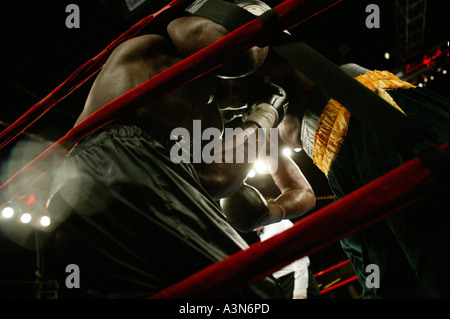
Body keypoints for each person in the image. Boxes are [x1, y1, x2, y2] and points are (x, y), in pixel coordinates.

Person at [45, 14, 293, 298]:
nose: (238, 110)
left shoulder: (193, 109)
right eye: (249, 87)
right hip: (129, 157)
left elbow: (218, 179)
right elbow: (237, 53)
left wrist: (263, 114)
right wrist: (259, 21)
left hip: (69, 189)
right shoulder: (169, 41)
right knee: (251, 291)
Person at [254, 57, 449, 298]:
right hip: (341, 158)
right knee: (392, 269)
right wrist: (271, 209)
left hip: (367, 112)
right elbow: (301, 191)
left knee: (426, 237)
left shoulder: (255, 53)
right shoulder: (252, 125)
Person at [255, 219, 321, 299]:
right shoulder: (263, 233)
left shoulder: (280, 223)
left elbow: (300, 255)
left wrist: (300, 288)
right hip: (284, 284)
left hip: (295, 279)